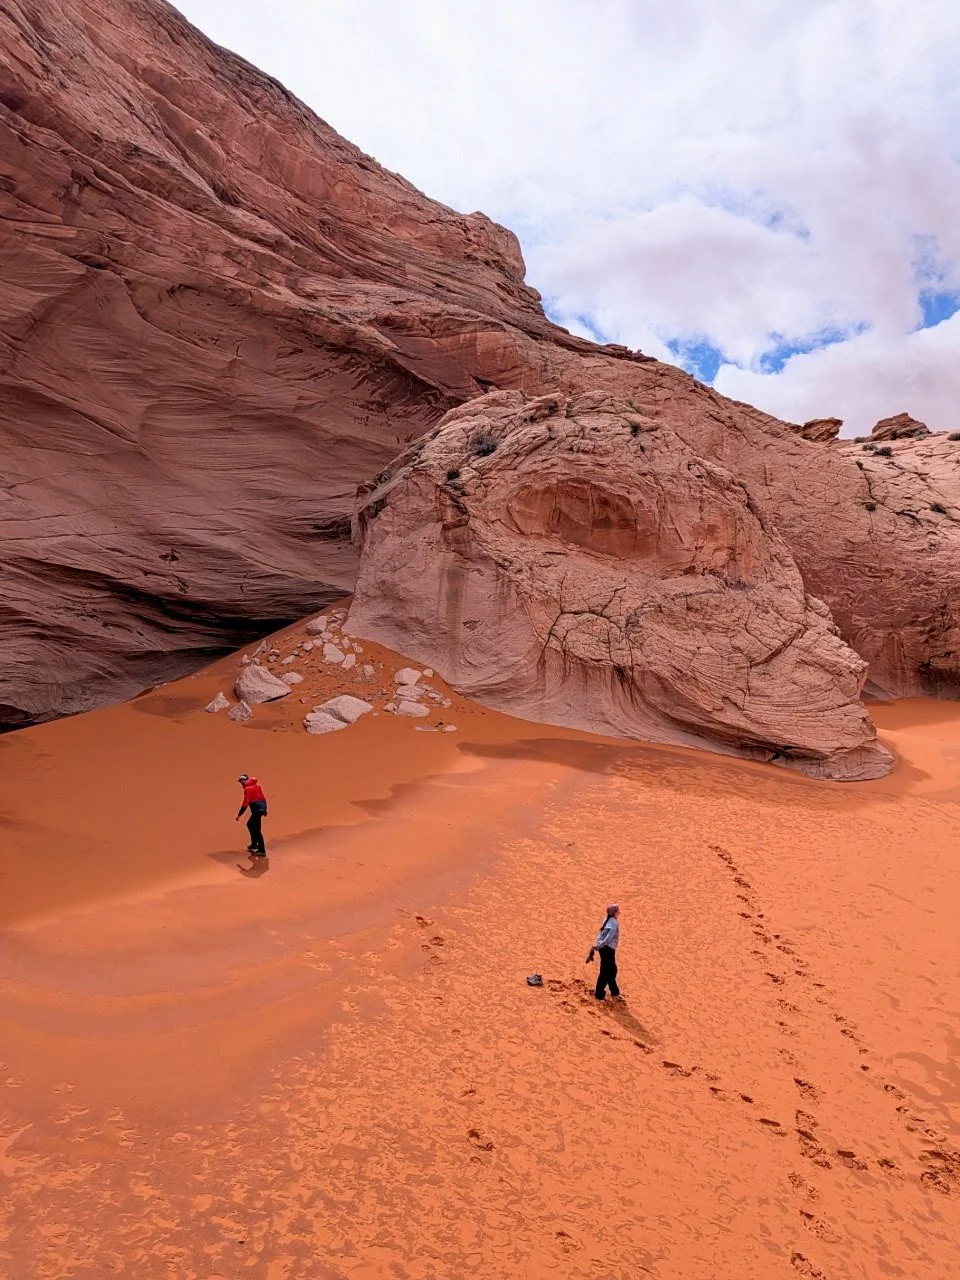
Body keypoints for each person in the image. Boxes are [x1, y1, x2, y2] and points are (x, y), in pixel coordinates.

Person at [586, 903, 620, 1000]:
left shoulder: (607, 919)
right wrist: (598, 946)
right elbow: (608, 939)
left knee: (609, 971)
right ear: (614, 912)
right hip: (607, 949)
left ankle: (614, 992)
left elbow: (601, 934)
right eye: (617, 909)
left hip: (604, 948)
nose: (619, 910)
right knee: (608, 971)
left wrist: (598, 945)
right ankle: (599, 995)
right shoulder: (613, 923)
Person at [236, 774, 268, 857]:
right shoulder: (257, 786)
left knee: (256, 830)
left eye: (242, 781)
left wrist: (239, 815)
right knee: (250, 825)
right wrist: (265, 809)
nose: (241, 783)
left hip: (257, 810)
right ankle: (254, 844)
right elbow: (263, 798)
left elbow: (245, 803)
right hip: (260, 809)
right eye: (240, 781)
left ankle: (262, 850)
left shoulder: (248, 789)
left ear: (246, 780)